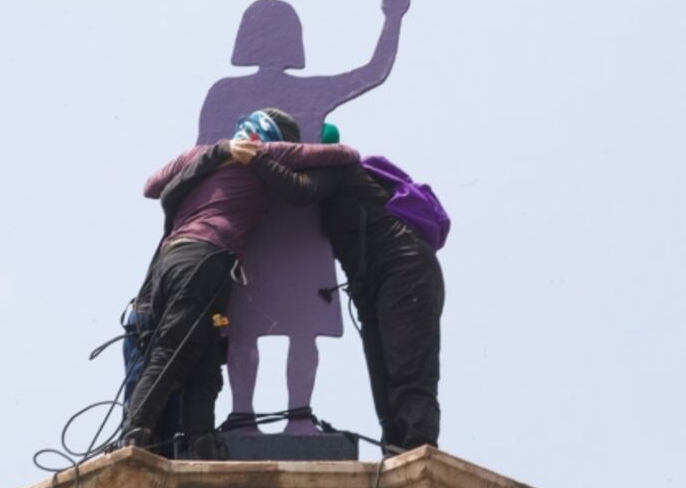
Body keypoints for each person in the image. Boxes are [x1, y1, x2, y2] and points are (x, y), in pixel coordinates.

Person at [122, 109, 358, 458]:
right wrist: (260, 155)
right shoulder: (265, 149)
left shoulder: (199, 154)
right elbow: (346, 154)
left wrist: (217, 153)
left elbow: (151, 187)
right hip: (205, 260)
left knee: (203, 350)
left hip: (171, 262)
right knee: (176, 347)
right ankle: (137, 432)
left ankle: (200, 440)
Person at [224, 128, 445, 452]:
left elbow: (298, 190)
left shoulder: (336, 165)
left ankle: (420, 446)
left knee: (407, 366)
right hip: (371, 281)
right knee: (382, 375)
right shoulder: (329, 176)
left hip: (404, 267)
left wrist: (258, 157)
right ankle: (397, 451)